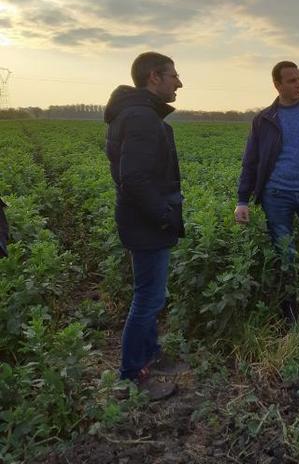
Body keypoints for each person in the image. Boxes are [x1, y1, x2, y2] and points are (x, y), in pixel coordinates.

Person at [104, 52, 190, 401]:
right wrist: (164, 214)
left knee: (151, 295)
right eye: (174, 76)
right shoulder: (140, 117)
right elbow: (134, 178)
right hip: (146, 221)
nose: (179, 83)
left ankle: (151, 355)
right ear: (154, 77)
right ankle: (131, 376)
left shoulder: (135, 113)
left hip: (143, 219)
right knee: (147, 298)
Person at [235, 61, 299, 321]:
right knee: (286, 259)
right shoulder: (264, 120)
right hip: (276, 197)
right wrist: (242, 200)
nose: (298, 84)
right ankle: (290, 318)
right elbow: (250, 162)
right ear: (277, 85)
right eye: (292, 80)